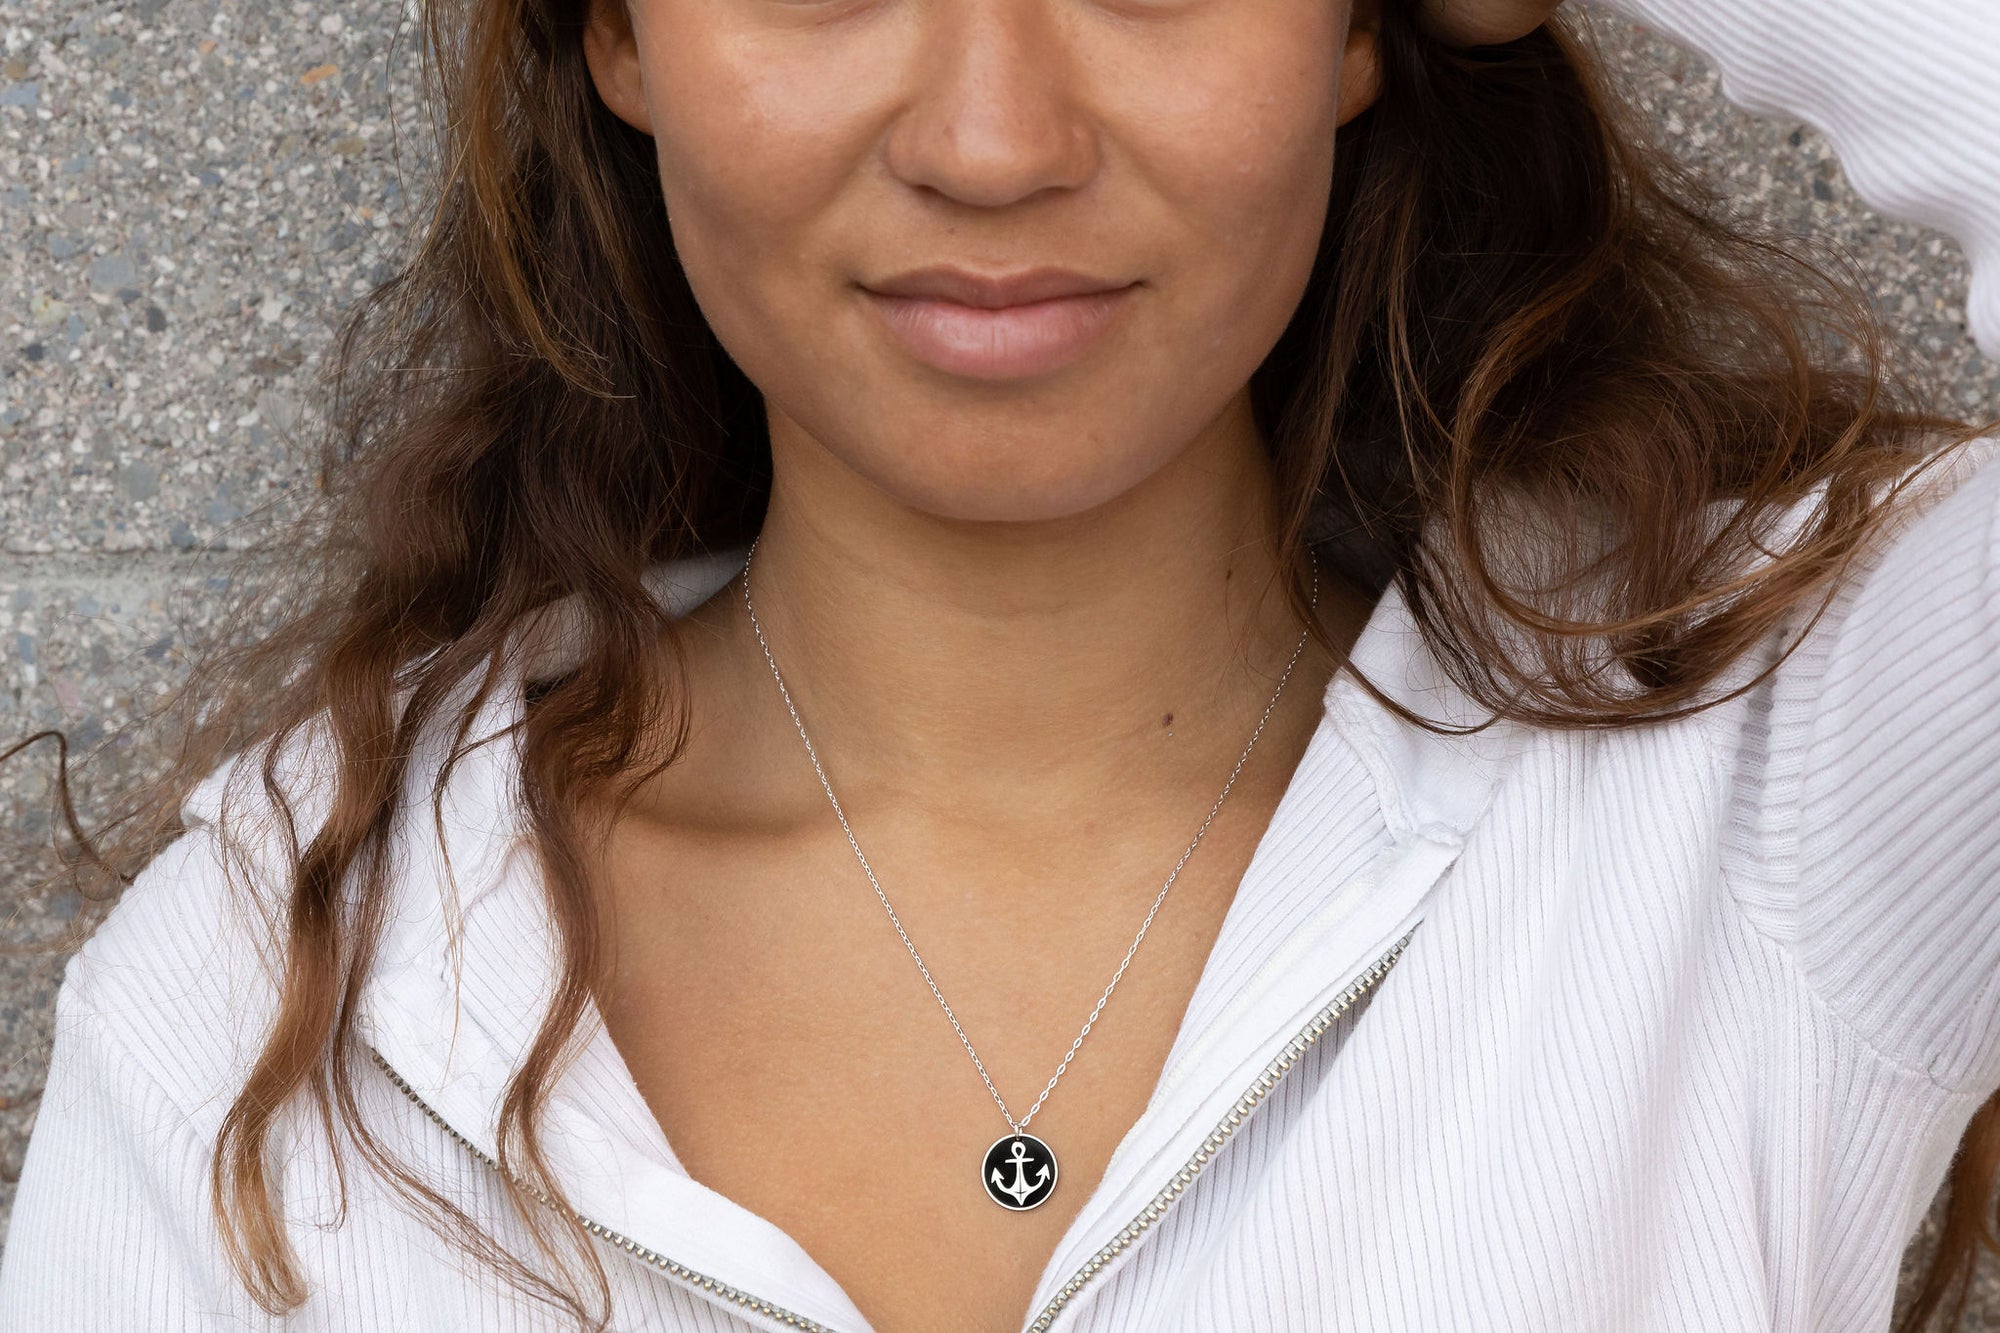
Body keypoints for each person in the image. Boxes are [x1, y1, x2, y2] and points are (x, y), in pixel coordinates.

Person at [2, 0, 1997, 1325]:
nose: (990, 140)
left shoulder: (1779, 759)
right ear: (618, 32)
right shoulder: (249, 1010)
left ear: (1353, 31)